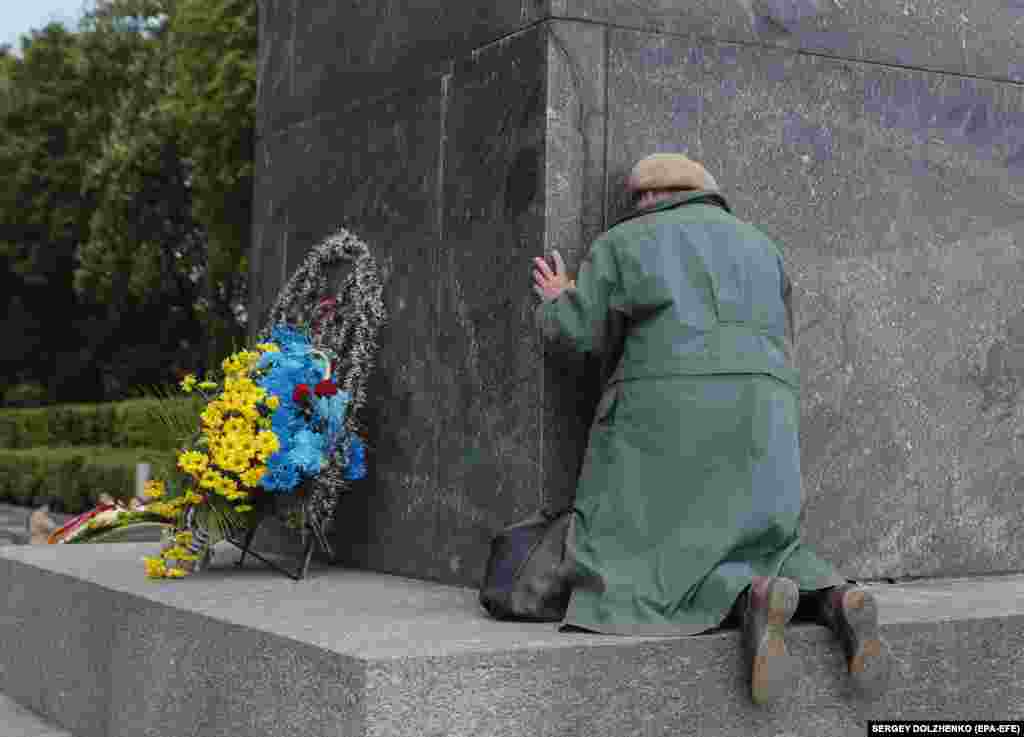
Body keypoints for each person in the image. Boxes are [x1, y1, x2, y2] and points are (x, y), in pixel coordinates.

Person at [530, 152, 891, 705]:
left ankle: (750, 600)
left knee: (638, 553)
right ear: (706, 193)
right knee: (768, 543)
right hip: (765, 410)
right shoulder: (761, 245)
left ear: (644, 199)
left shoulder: (625, 242)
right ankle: (834, 599)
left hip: (670, 407)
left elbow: (579, 331)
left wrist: (558, 301)